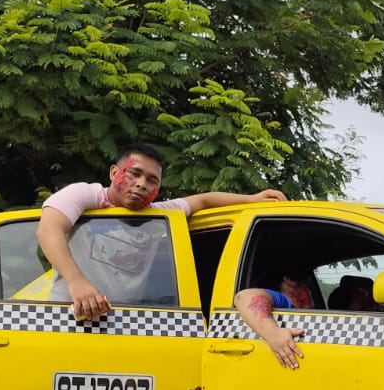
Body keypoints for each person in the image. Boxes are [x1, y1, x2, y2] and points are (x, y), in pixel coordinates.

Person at [38, 143, 286, 320]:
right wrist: (77, 282)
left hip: (127, 321)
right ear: (114, 172)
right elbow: (49, 230)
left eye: (152, 180)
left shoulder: (160, 216)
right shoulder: (88, 194)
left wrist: (253, 199)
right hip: (68, 316)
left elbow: (203, 200)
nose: (141, 184)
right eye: (135, 174)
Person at [232, 276, 316, 370]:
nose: (308, 291)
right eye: (300, 284)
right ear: (287, 282)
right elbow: (243, 297)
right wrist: (274, 333)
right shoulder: (284, 302)